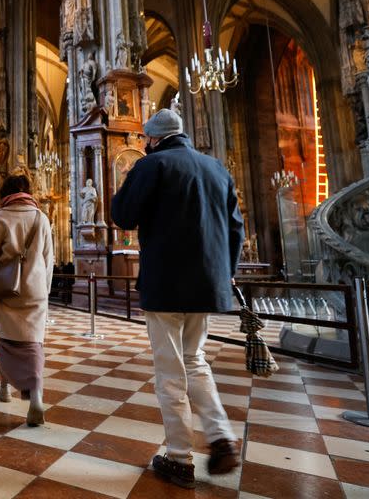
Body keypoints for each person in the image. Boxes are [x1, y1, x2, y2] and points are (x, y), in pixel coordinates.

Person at [111, 108, 244, 490]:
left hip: (166, 282)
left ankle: (179, 458)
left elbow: (123, 215)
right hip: (207, 283)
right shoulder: (216, 167)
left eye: (146, 140)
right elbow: (236, 227)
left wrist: (128, 181)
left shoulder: (152, 165)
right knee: (194, 361)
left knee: (170, 371)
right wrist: (225, 270)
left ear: (152, 139)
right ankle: (220, 437)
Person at [0, 174, 54, 427]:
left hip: (7, 290)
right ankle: (36, 397)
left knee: (7, 342)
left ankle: (5, 388)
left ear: (5, 192)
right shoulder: (41, 218)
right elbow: (48, 259)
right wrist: (45, 290)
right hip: (35, 291)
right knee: (34, 344)